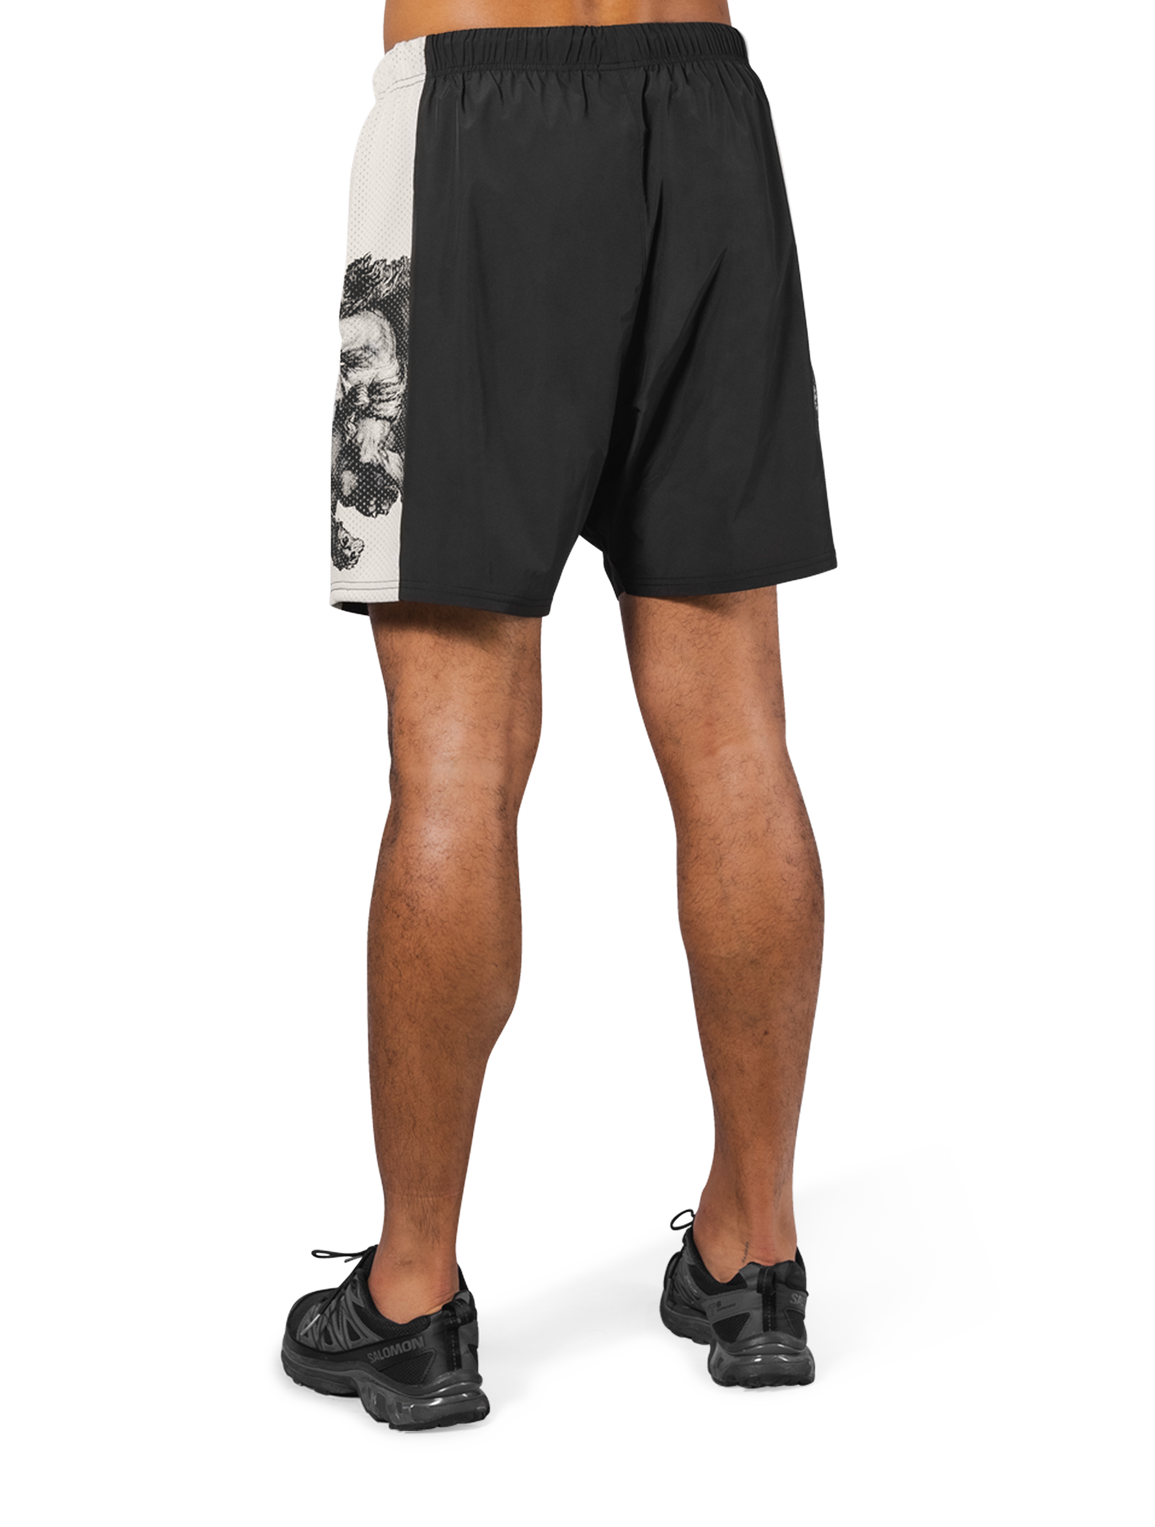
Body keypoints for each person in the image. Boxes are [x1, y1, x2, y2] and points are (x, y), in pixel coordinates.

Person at [291, 0, 839, 1431]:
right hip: (709, 109)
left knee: (454, 762)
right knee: (740, 737)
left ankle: (410, 1301)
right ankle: (757, 1259)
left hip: (468, 119)